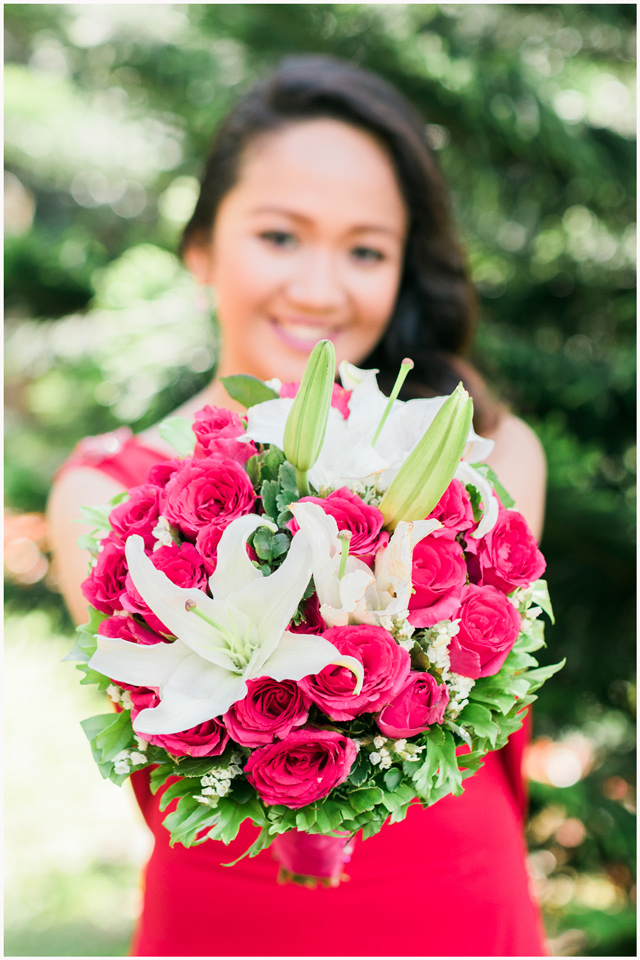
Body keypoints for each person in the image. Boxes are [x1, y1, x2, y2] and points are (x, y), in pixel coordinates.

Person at [48, 55, 548, 956]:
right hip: (222, 922)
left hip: (457, 914)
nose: (320, 289)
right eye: (280, 236)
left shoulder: (492, 460)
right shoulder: (103, 492)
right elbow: (172, 730)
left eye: (365, 250)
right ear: (201, 246)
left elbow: (464, 706)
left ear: (404, 268)